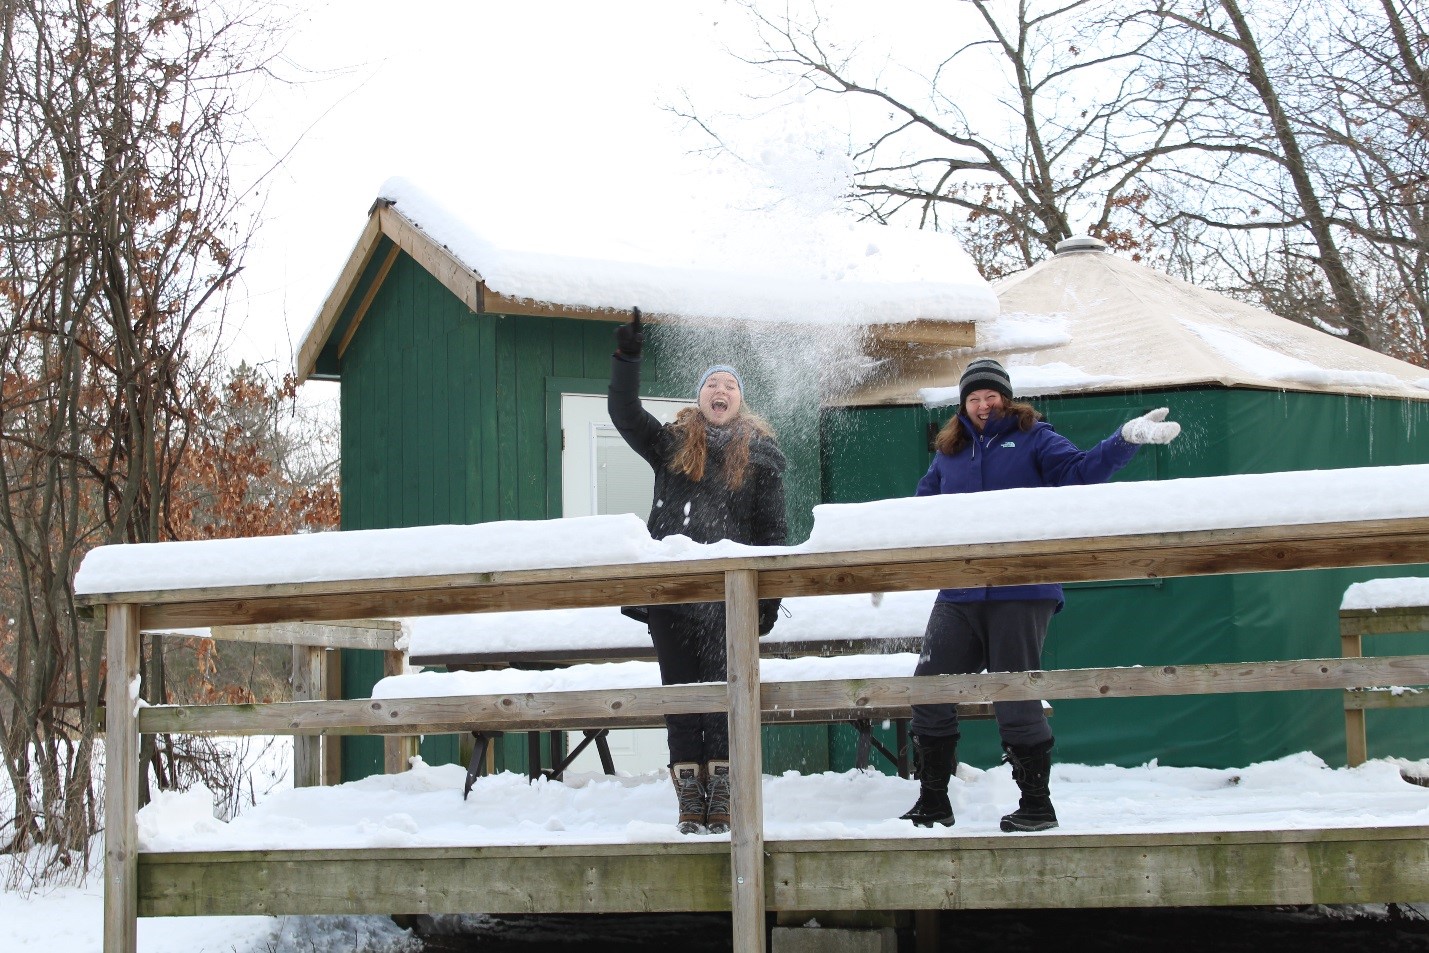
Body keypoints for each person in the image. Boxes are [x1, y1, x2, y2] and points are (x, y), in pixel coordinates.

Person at [900, 358, 1181, 833]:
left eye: (990, 396)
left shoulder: (1035, 436)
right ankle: (932, 801)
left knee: (1015, 694)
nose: (983, 404)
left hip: (1023, 586)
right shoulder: (949, 451)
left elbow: (1080, 473)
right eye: (974, 397)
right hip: (960, 591)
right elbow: (922, 508)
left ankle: (1036, 804)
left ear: (1005, 398)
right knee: (929, 689)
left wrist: (1123, 440)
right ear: (963, 404)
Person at [608, 307, 788, 835]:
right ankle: (690, 793)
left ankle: (725, 792)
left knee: (726, 694)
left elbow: (773, 533)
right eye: (712, 382)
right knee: (681, 694)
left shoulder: (762, 458)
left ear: (740, 400)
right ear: (699, 397)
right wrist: (627, 358)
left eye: (730, 384)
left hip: (731, 598)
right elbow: (623, 413)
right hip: (671, 593)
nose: (721, 389)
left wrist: (767, 603)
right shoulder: (669, 445)